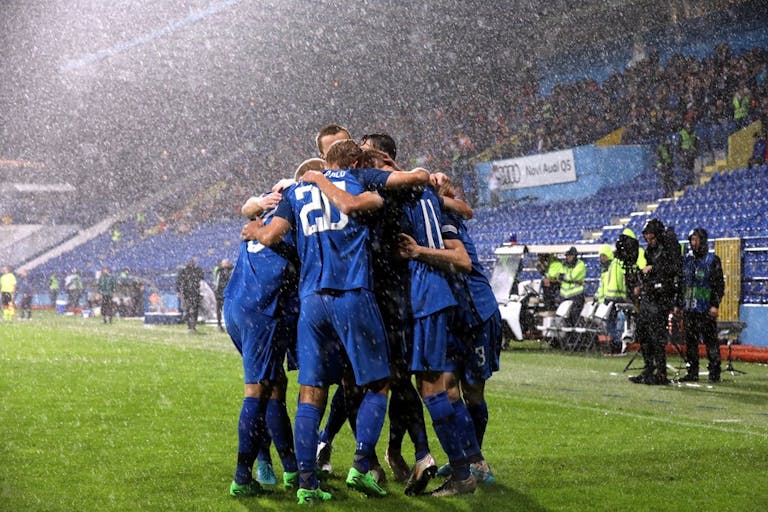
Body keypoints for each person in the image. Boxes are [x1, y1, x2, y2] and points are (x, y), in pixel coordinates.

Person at [246, 139, 429, 504]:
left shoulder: (296, 192)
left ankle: (306, 483)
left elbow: (269, 235)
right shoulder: (362, 181)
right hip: (352, 293)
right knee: (378, 382)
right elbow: (410, 181)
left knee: (310, 391)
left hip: (312, 301)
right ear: (357, 162)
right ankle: (361, 465)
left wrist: (254, 230)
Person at [223, 179, 302, 498]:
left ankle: (287, 467)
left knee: (274, 383)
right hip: (262, 308)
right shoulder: (295, 214)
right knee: (260, 390)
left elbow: (248, 207)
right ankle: (243, 476)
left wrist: (255, 204)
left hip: (236, 303)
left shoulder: (270, 208)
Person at [629, 218, 682, 385]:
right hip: (650, 293)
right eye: (647, 237)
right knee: (643, 332)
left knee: (656, 335)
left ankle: (660, 372)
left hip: (662, 296)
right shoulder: (649, 251)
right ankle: (648, 368)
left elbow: (675, 269)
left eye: (651, 237)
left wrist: (654, 269)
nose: (648, 240)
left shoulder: (669, 248)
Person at [679, 228, 725, 383]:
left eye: (696, 240)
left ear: (703, 241)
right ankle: (692, 372)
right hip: (689, 308)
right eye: (691, 240)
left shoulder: (712, 260)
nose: (693, 243)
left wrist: (715, 304)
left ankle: (714, 372)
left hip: (705, 309)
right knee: (690, 343)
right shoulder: (687, 260)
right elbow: (681, 284)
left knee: (710, 342)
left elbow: (719, 285)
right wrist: (679, 304)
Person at [559, 247, 586, 327]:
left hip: (576, 296)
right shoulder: (564, 265)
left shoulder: (580, 264)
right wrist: (567, 278)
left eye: (570, 256)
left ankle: (578, 334)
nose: (568, 257)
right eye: (567, 256)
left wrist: (565, 277)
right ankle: (569, 334)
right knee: (566, 319)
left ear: (575, 256)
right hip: (565, 296)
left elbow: (572, 276)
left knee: (575, 317)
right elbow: (559, 276)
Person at [176, 259, 204, 332]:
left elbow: (201, 278)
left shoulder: (196, 270)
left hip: (193, 292)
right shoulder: (184, 271)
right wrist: (178, 291)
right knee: (189, 309)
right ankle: (190, 325)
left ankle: (192, 325)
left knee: (193, 309)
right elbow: (179, 281)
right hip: (188, 292)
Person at [213, 258, 233, 331]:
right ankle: (219, 324)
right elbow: (216, 282)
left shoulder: (231, 270)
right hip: (221, 293)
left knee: (229, 310)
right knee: (219, 309)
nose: (226, 265)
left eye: (227, 263)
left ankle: (229, 324)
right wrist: (217, 292)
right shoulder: (219, 270)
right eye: (224, 263)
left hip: (228, 293)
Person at [677, 121, 698, 188]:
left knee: (691, 167)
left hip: (691, 152)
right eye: (688, 127)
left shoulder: (694, 133)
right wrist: (680, 154)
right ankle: (685, 182)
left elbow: (696, 143)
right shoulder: (682, 134)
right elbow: (678, 145)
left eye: (690, 127)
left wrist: (695, 151)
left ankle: (690, 180)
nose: (689, 128)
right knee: (685, 168)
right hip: (684, 152)